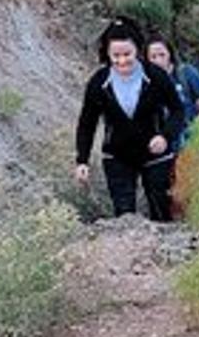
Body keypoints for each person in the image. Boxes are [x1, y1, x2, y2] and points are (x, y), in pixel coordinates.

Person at [75, 20, 186, 222]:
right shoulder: (99, 82)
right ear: (107, 54)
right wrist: (82, 159)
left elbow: (178, 111)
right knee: (124, 215)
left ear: (138, 50)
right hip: (117, 155)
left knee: (161, 210)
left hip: (155, 154)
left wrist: (166, 137)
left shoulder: (156, 76)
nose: (122, 61)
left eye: (127, 54)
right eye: (115, 56)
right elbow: (87, 123)